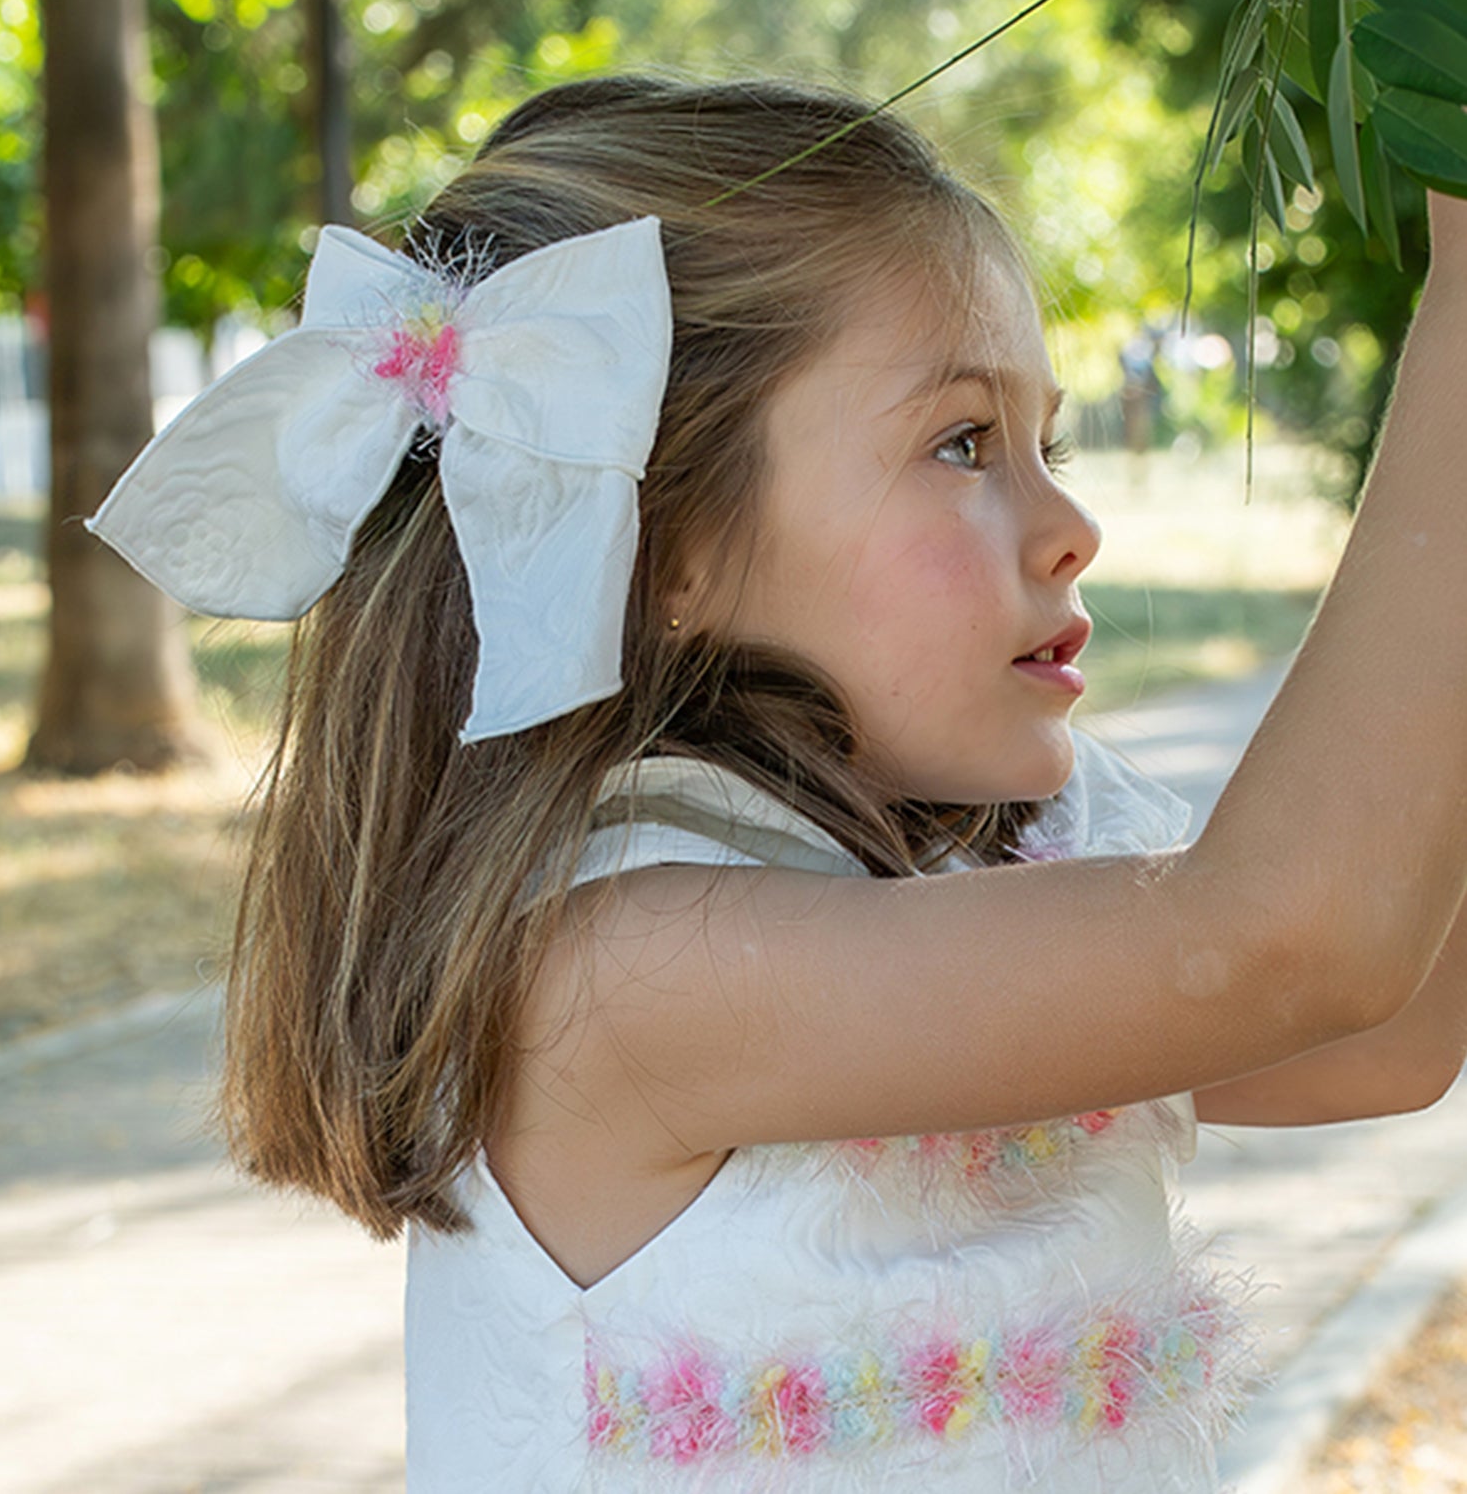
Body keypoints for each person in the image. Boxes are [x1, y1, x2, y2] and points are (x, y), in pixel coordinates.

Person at [86, 75, 1467, 1492]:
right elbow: (1298, 944)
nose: (1071, 526)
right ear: (667, 544)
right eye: (962, 444)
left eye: (1044, 443)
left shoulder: (1008, 852)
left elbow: (1390, 1023)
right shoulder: (621, 975)